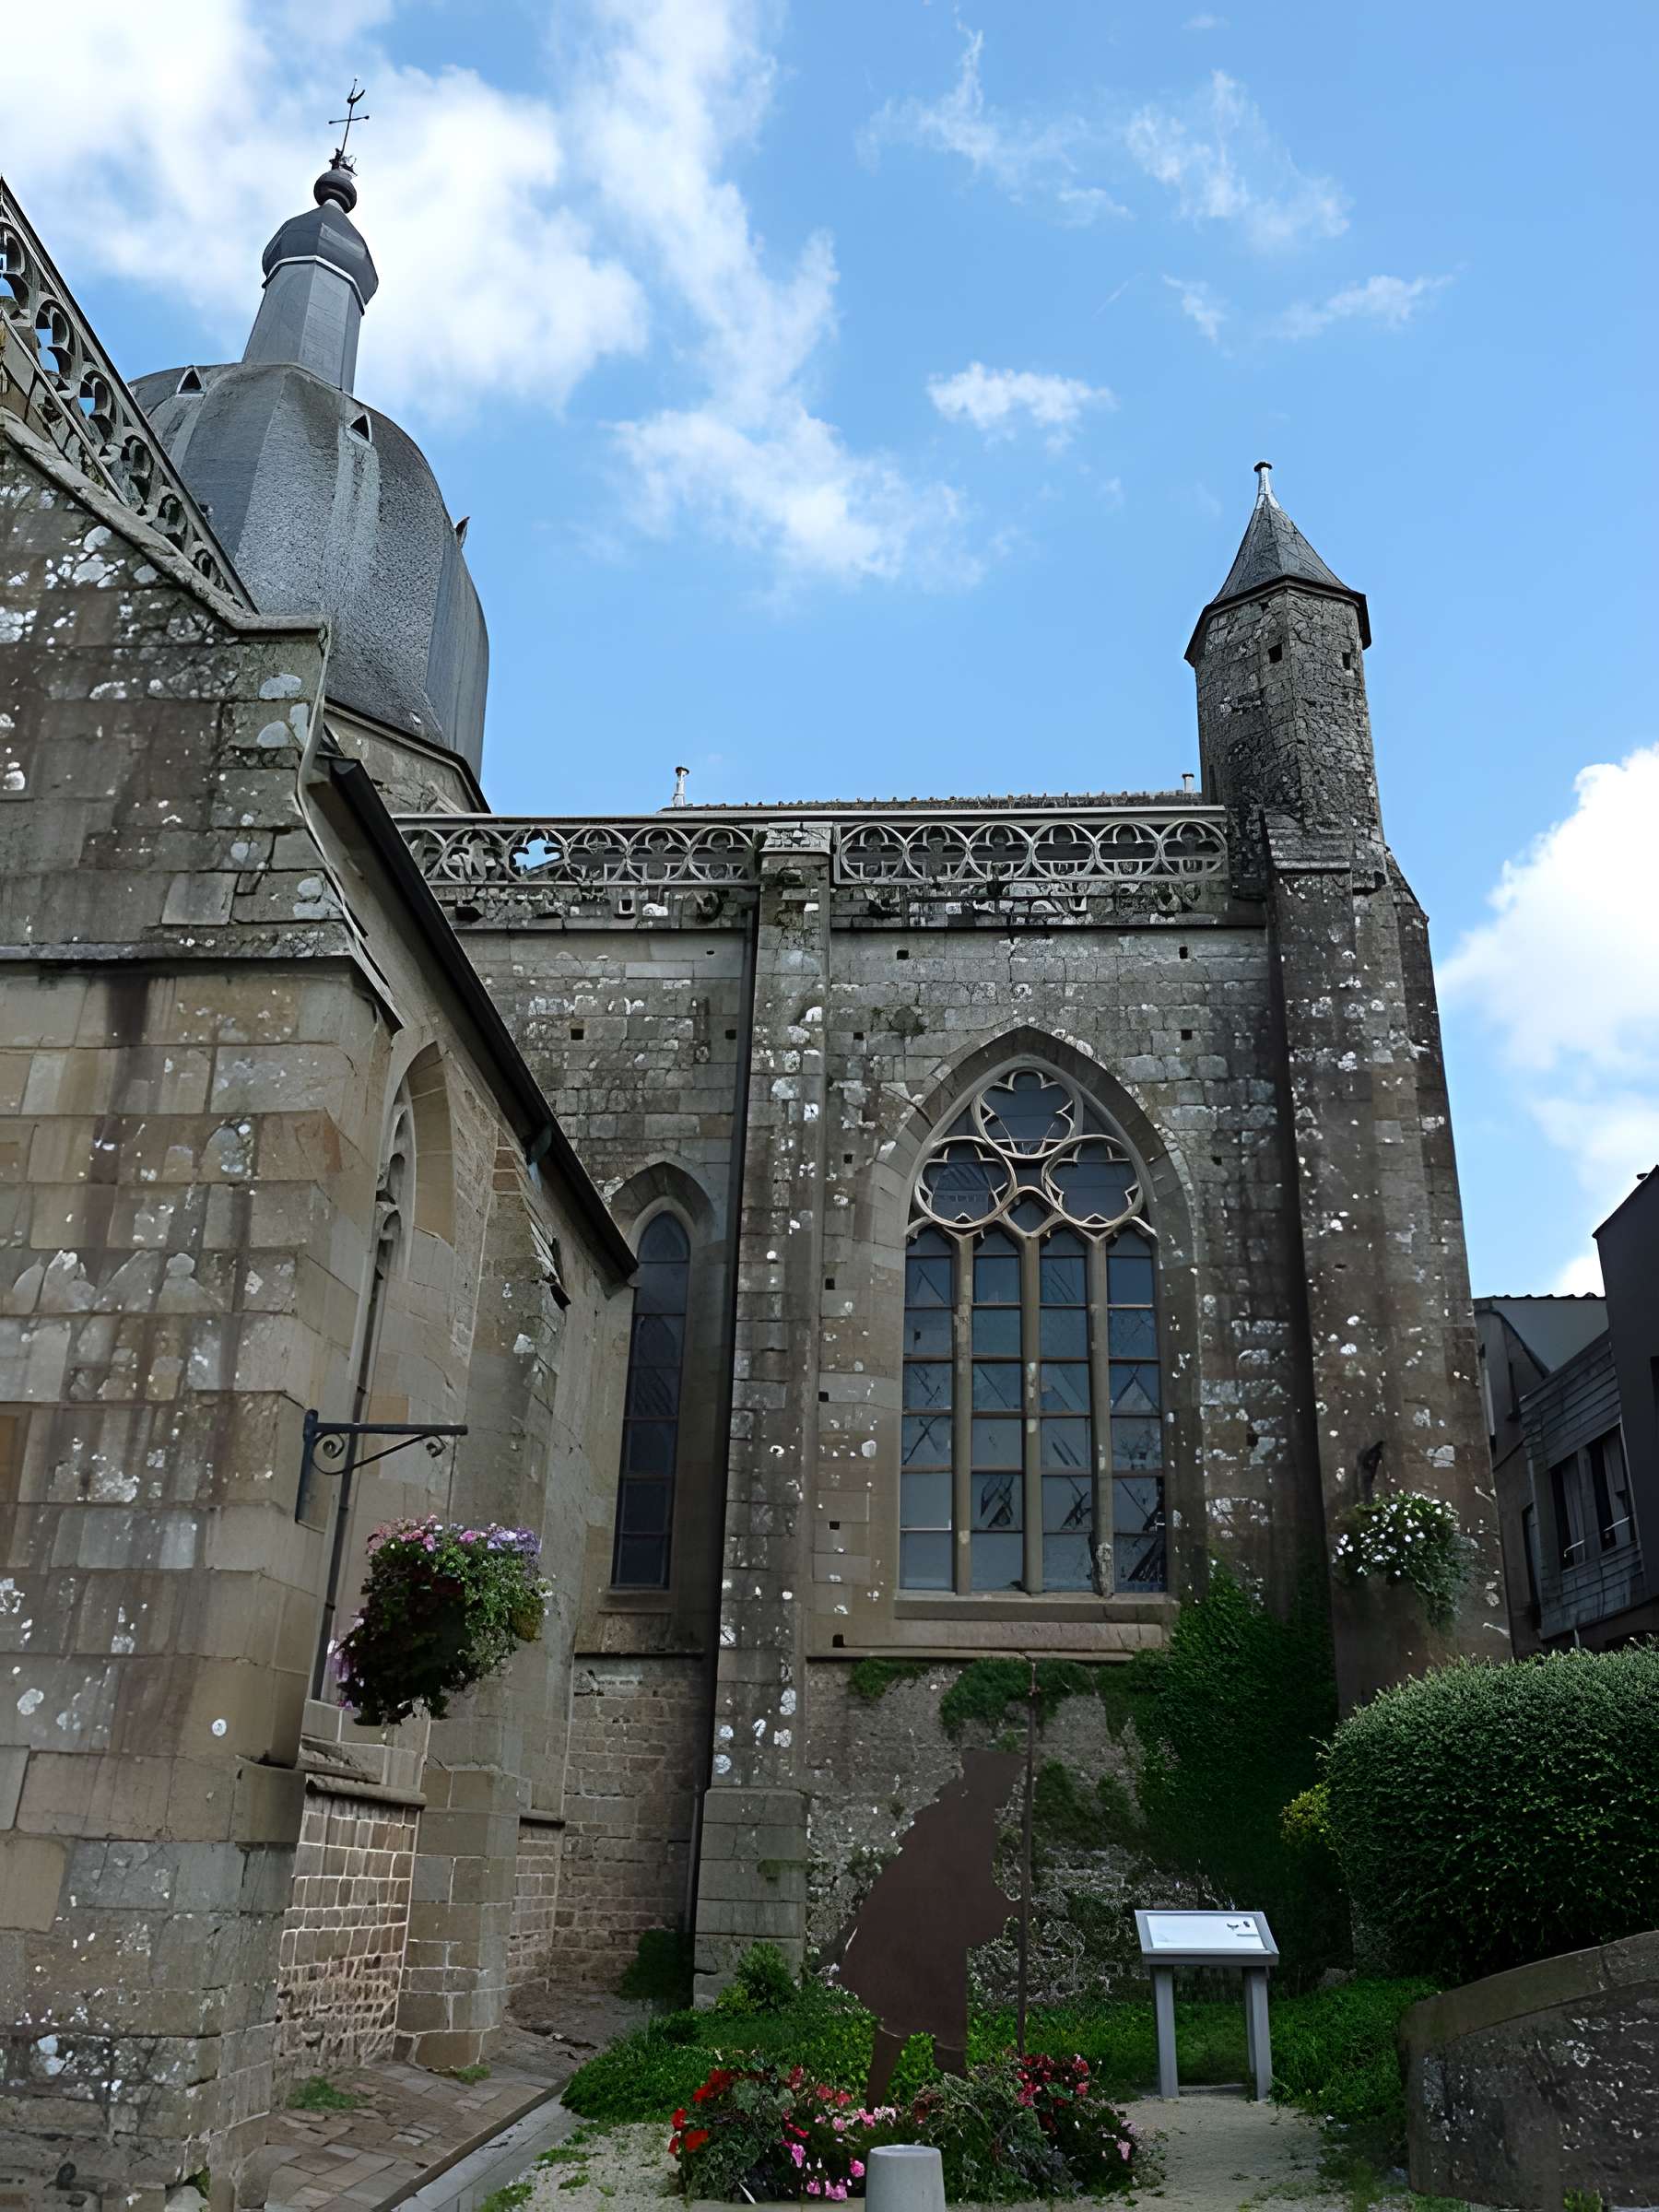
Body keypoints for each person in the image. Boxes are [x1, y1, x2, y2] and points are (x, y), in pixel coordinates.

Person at [837, 1747, 1021, 2103]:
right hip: (928, 1933)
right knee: (929, 2018)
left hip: (929, 1932)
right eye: (1006, 1783)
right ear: (989, 1783)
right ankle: (949, 2107)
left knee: (914, 2016)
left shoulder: (960, 1815)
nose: (1010, 1791)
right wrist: (1010, 1908)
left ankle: (912, 2104)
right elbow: (971, 1886)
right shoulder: (972, 1823)